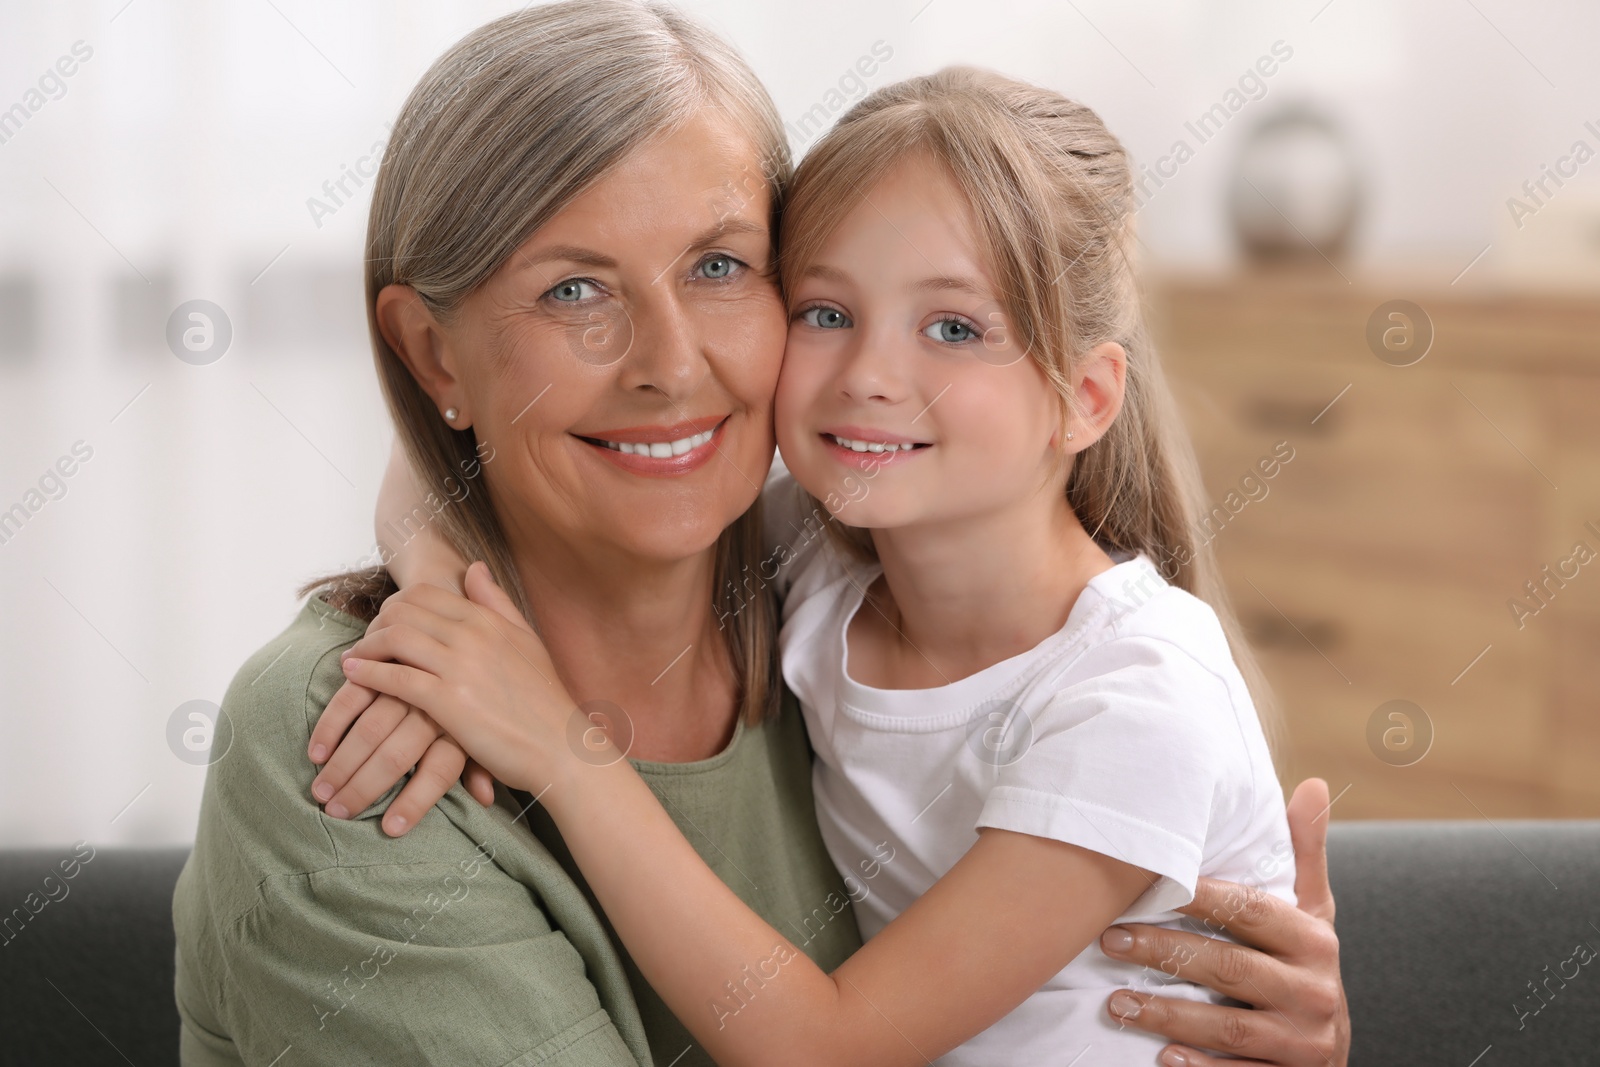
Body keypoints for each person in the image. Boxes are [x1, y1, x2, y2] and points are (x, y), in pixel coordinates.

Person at [174, 3, 1348, 1065]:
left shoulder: (813, 570)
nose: (671, 365)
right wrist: (443, 591)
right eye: (575, 289)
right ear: (435, 354)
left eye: (722, 265)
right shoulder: (357, 734)